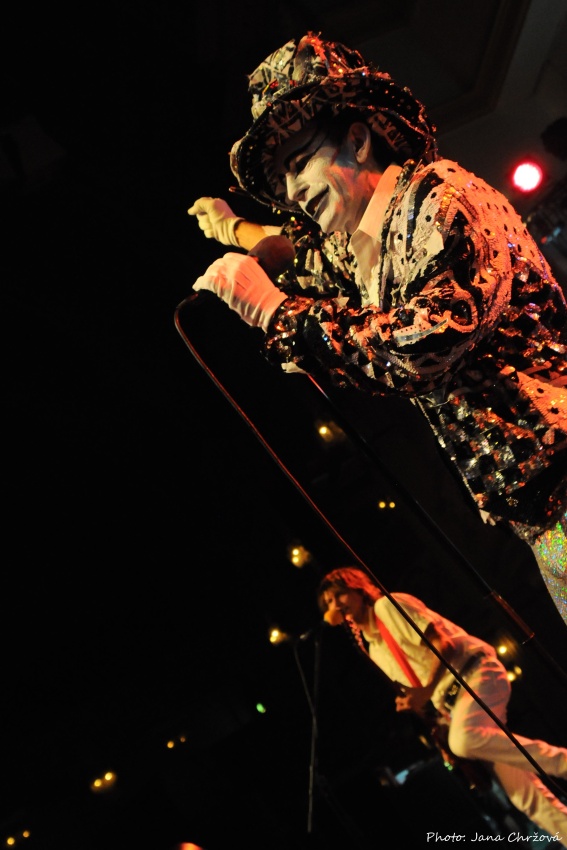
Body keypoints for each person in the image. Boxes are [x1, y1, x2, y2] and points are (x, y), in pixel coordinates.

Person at [188, 32, 567, 625]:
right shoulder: (374, 245)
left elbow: (427, 341)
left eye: (297, 165)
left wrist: (279, 315)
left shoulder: (443, 198)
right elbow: (309, 262)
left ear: (358, 140)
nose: (291, 194)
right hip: (542, 515)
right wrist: (234, 229)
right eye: (282, 181)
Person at [316, 566, 567, 842]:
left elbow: (443, 644)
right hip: (454, 705)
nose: (335, 604)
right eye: (328, 602)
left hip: (473, 675)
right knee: (525, 797)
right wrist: (416, 704)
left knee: (464, 740)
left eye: (339, 595)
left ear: (357, 589)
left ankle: (563, 764)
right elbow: (423, 686)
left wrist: (425, 692)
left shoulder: (388, 607)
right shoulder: (374, 649)